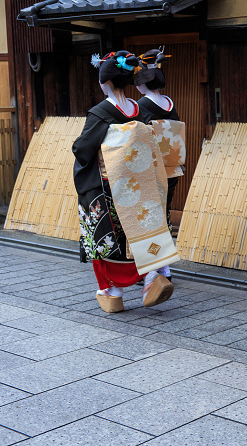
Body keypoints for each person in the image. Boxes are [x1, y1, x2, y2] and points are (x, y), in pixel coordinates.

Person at [72, 51, 174, 313]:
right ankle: (152, 275)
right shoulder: (139, 110)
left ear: (105, 82)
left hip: (110, 188)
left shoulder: (101, 112)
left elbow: (83, 148)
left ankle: (113, 291)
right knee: (139, 231)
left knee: (109, 235)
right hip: (140, 186)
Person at [136, 47, 182, 282]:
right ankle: (164, 268)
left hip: (149, 169)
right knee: (162, 214)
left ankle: (154, 269)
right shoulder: (169, 103)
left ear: (141, 83)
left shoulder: (140, 107)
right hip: (171, 168)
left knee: (148, 218)